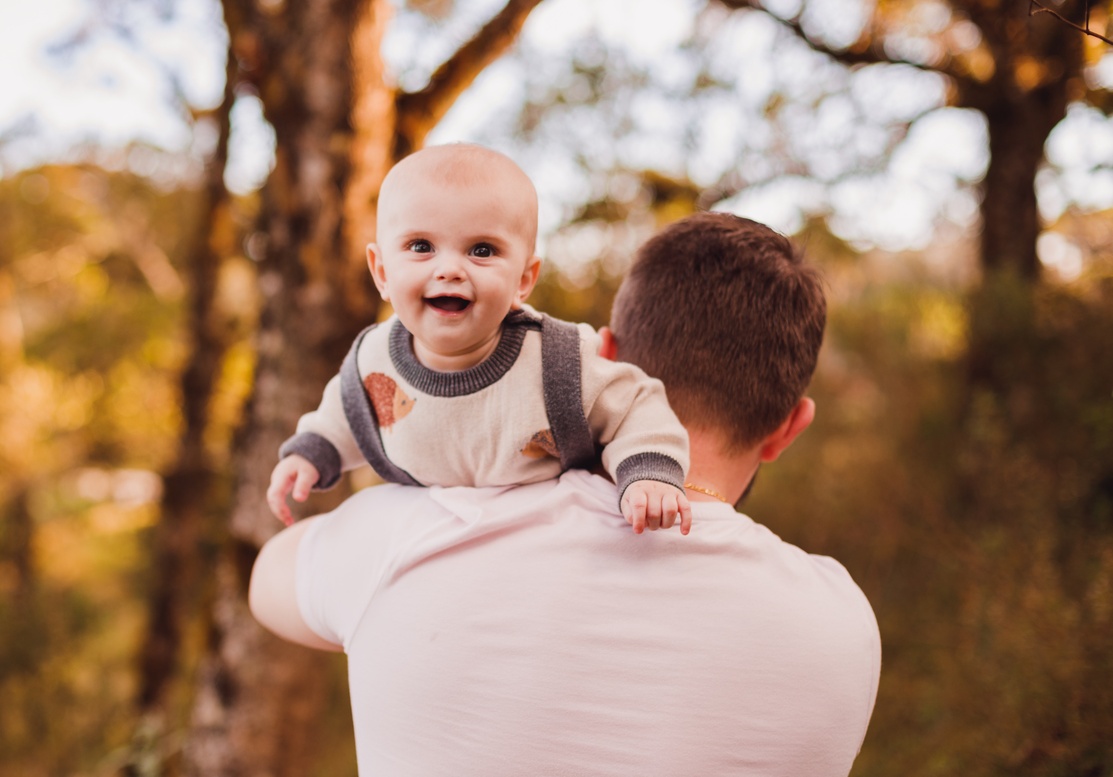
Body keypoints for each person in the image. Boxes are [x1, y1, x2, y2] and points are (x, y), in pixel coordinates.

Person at [250, 212, 882, 776]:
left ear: (603, 355)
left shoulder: (419, 532)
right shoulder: (843, 626)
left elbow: (269, 577)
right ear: (787, 428)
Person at [267, 143, 691, 534]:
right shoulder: (374, 362)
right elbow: (345, 414)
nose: (450, 268)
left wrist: (648, 472)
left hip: (544, 543)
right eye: (421, 246)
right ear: (381, 272)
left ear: (523, 279)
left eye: (482, 251)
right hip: (434, 550)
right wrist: (311, 453)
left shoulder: (556, 365)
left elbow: (635, 404)